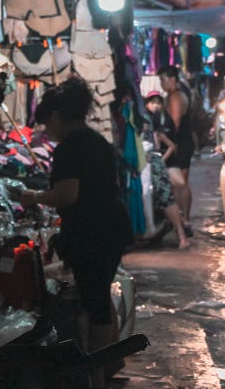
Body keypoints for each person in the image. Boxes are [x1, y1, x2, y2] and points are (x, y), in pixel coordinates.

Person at [20, 77, 131, 388]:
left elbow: (67, 195)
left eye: (47, 124)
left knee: (95, 304)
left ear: (56, 116)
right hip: (112, 227)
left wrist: (34, 196)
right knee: (101, 293)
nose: (47, 131)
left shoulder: (70, 148)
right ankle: (112, 361)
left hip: (93, 232)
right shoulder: (97, 141)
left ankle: (94, 374)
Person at [144, 91, 190, 249]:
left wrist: (160, 160)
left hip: (155, 159)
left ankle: (181, 231)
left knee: (166, 191)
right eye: (152, 102)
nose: (155, 105)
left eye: (158, 102)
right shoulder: (141, 117)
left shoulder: (159, 120)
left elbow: (168, 144)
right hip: (138, 159)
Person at [158, 65, 195, 238]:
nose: (162, 84)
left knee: (180, 183)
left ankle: (185, 219)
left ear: (173, 79)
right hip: (181, 143)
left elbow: (175, 123)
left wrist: (168, 142)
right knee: (178, 182)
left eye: (164, 80)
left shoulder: (176, 97)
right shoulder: (178, 94)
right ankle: (182, 219)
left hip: (180, 143)